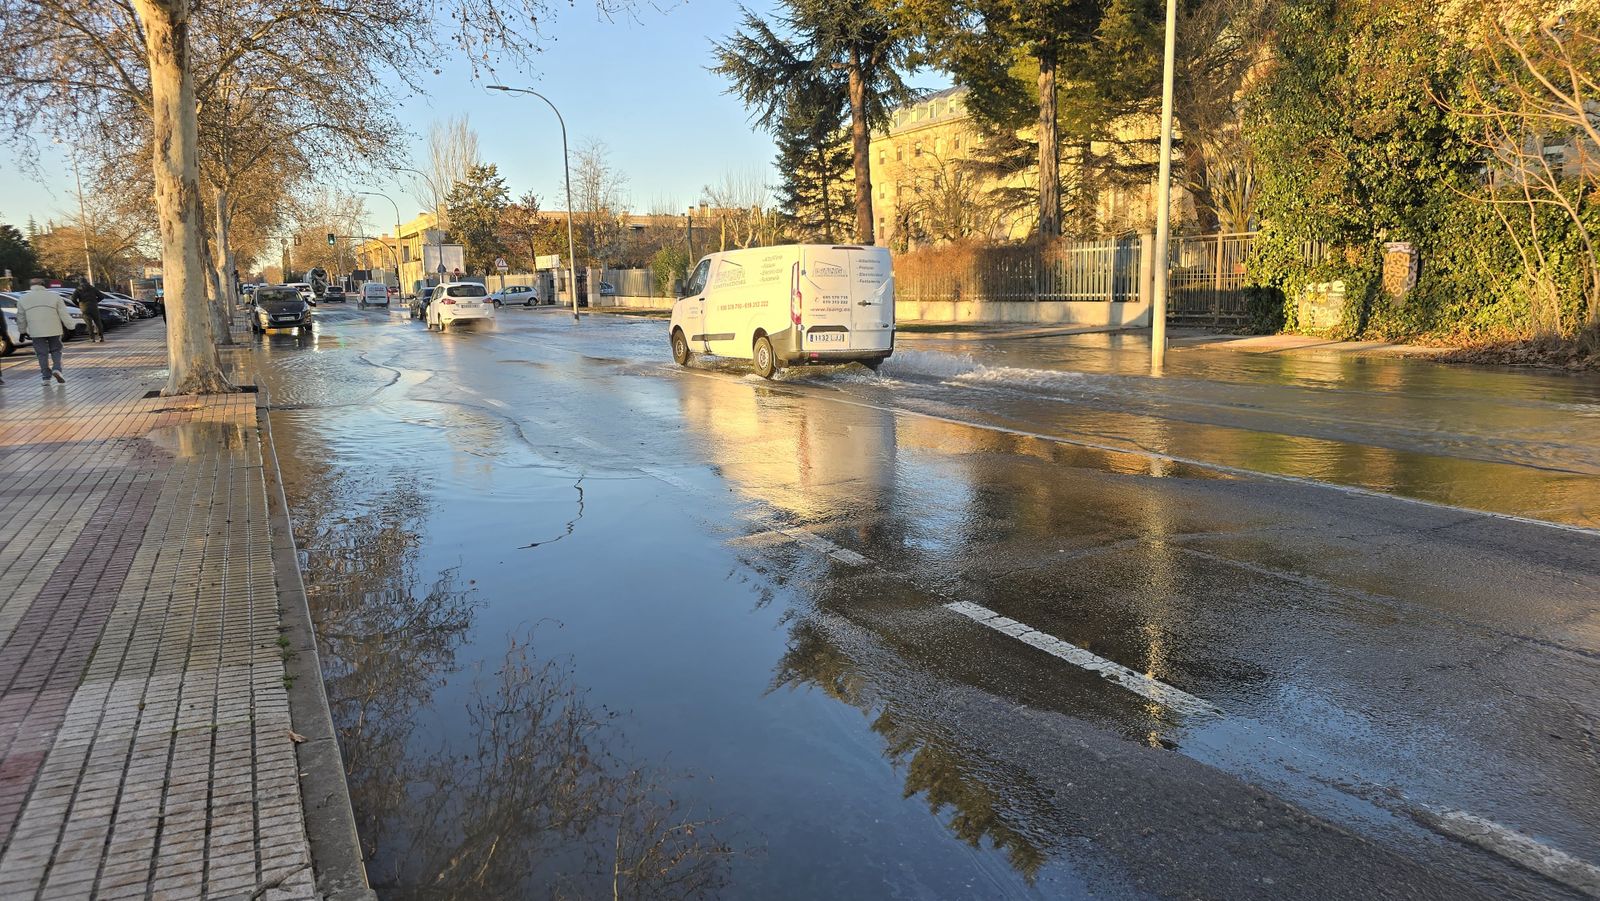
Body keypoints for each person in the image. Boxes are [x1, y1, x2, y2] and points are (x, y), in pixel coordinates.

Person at [15, 278, 76, 384]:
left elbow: (21, 317)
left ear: (30, 286)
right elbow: (63, 313)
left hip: (36, 331)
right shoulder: (54, 296)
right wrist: (71, 327)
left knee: (41, 354)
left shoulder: (23, 299)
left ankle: (46, 378)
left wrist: (22, 331)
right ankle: (57, 368)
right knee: (56, 350)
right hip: (54, 329)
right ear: (43, 285)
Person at [72, 277, 107, 342]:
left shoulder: (78, 290)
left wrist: (79, 304)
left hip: (84, 308)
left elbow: (73, 299)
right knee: (98, 322)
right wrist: (96, 301)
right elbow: (102, 296)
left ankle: (92, 338)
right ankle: (101, 337)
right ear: (86, 281)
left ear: (79, 283)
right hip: (94, 307)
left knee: (89, 323)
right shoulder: (93, 288)